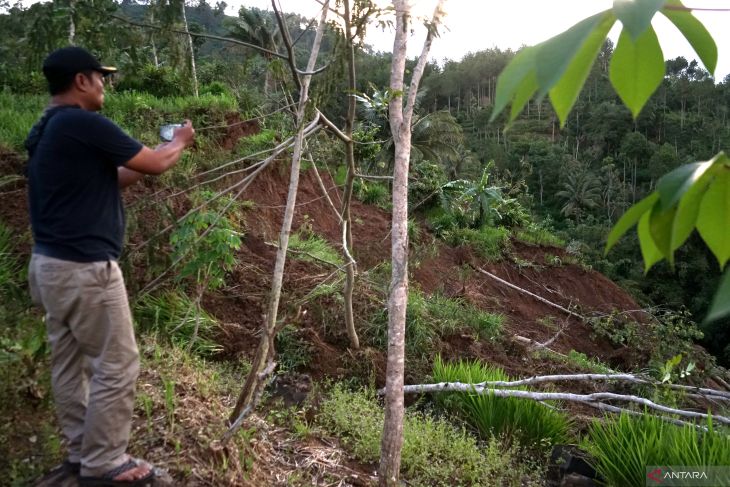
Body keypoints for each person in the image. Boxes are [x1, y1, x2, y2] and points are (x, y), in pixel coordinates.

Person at [25, 46, 195, 486]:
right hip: (86, 270)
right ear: (81, 81)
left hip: (49, 266)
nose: (104, 85)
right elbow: (157, 165)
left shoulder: (48, 129)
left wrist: (156, 153)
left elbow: (121, 174)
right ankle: (104, 463)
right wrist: (177, 143)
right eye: (100, 77)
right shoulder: (84, 122)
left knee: (68, 364)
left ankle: (82, 454)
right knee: (117, 364)